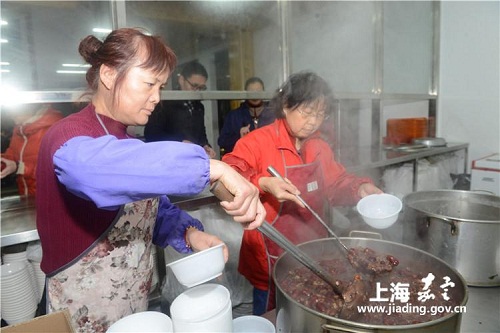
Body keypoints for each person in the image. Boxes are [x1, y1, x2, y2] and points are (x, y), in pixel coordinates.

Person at [36, 28, 265, 332]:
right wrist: (214, 168)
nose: (156, 97)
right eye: (149, 83)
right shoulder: (67, 136)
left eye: (161, 86)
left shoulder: (128, 141)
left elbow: (147, 212)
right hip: (81, 314)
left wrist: (189, 235)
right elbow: (96, 171)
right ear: (108, 74)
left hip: (136, 310)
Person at [222, 71, 383, 315]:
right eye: (306, 112)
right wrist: (263, 183)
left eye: (320, 114)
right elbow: (227, 178)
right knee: (270, 319)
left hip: (314, 255)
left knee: (310, 315)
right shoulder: (256, 142)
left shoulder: (318, 146)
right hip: (269, 257)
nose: (313, 122)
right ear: (285, 106)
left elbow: (335, 182)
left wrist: (358, 188)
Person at [144, 60, 216, 158]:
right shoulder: (164, 103)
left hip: (193, 159)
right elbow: (152, 135)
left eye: (201, 87)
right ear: (181, 80)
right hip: (170, 159)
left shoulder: (199, 107)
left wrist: (206, 146)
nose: (197, 91)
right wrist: (180, 141)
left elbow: (201, 134)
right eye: (194, 86)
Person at [1, 104, 63, 196]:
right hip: (26, 196)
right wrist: (3, 162)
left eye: (13, 110)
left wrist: (20, 168)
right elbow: (11, 154)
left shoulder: (55, 128)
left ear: (29, 106)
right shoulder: (19, 129)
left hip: (50, 198)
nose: (9, 114)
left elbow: (58, 170)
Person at [218, 77, 275, 154]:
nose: (255, 96)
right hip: (244, 161)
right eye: (251, 92)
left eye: (258, 92)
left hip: (269, 160)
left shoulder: (274, 115)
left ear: (264, 92)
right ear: (245, 93)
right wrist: (240, 138)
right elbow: (222, 142)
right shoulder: (234, 116)